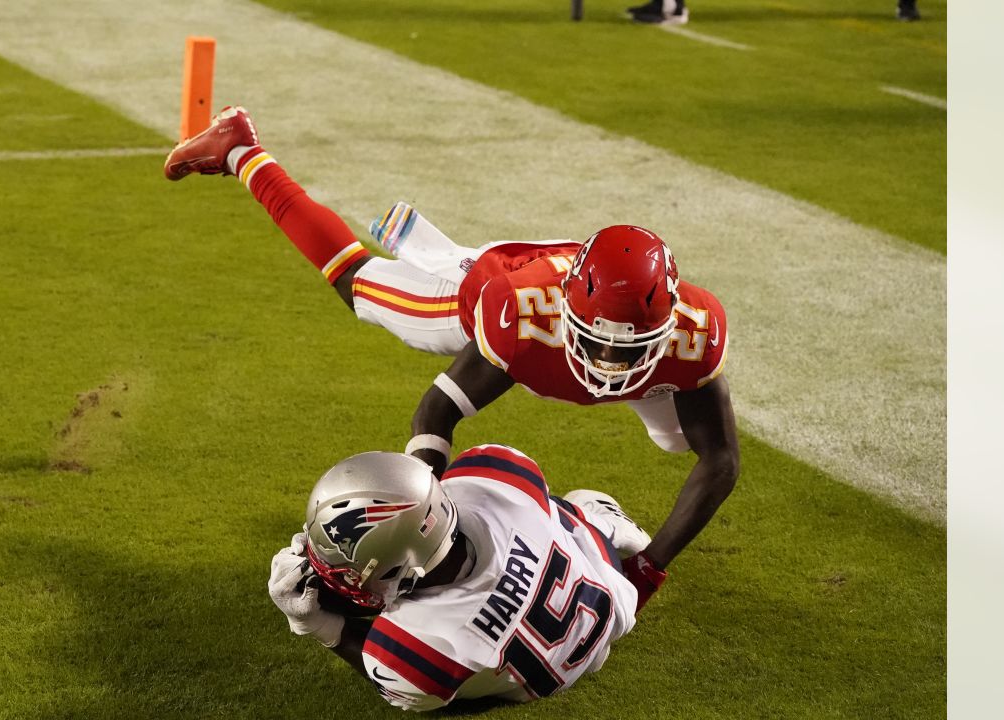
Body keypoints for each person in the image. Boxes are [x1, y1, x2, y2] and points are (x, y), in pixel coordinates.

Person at [165, 107, 739, 601]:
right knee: (358, 285)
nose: (608, 365)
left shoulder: (696, 333)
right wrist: (422, 508)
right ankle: (239, 147)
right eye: (597, 342)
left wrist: (647, 569)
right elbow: (437, 412)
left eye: (627, 348)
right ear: (569, 313)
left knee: (683, 441)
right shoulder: (522, 316)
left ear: (667, 326)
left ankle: (607, 520)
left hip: (594, 334)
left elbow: (721, 462)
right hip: (487, 289)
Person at [267, 446, 663, 710]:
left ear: (398, 569)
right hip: (611, 594)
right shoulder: (493, 470)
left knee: (447, 679)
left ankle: (598, 518)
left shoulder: (411, 654)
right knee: (550, 510)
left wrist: (318, 625)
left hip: (554, 672)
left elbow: (402, 687)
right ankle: (597, 521)